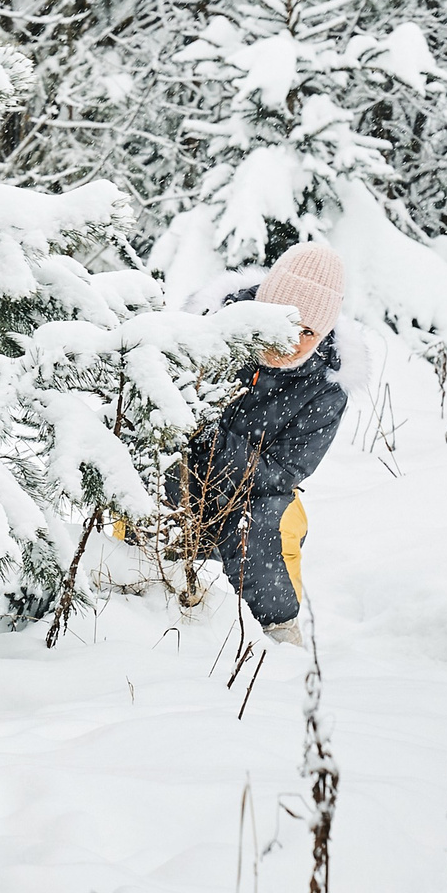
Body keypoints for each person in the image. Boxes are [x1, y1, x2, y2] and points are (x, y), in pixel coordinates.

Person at [168, 241, 349, 646]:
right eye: (285, 323)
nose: (293, 341)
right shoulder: (209, 331)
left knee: (271, 520)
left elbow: (285, 472)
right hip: (181, 468)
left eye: (308, 332)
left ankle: (277, 629)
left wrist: (210, 440)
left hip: (258, 490)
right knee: (156, 483)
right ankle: (134, 591)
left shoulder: (326, 389)